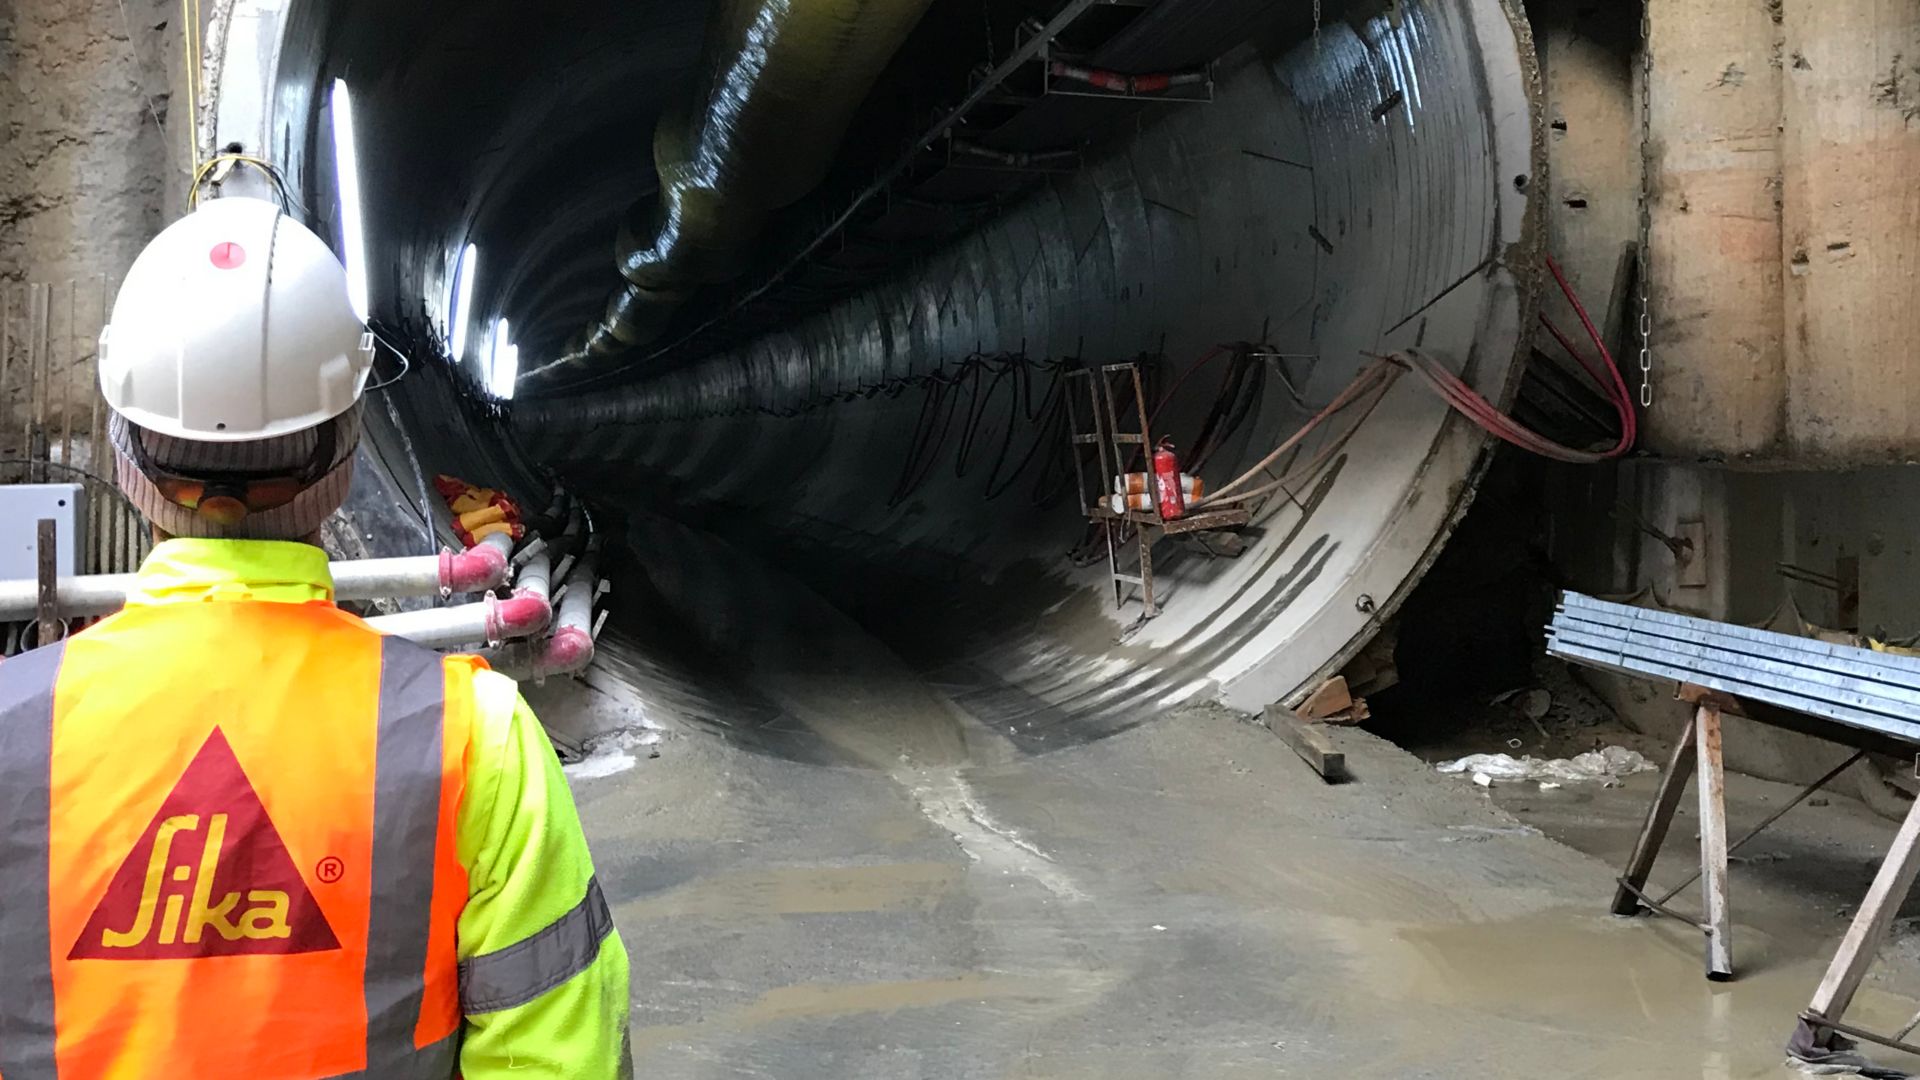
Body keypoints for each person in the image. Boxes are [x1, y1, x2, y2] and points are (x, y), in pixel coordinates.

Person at [0, 196, 631, 1078]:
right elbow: (563, 1059)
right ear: (345, 456)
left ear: (123, 456)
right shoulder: (473, 741)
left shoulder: (11, 733)